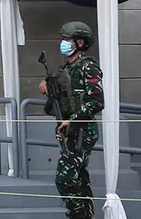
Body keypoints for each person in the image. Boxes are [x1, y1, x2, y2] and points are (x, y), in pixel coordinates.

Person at [38, 21, 104, 219]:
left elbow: (97, 101)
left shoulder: (88, 67)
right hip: (68, 129)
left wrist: (73, 120)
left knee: (65, 178)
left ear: (80, 42)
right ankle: (85, 214)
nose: (63, 43)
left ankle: (77, 215)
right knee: (80, 178)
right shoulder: (66, 68)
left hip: (82, 129)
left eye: (67, 40)